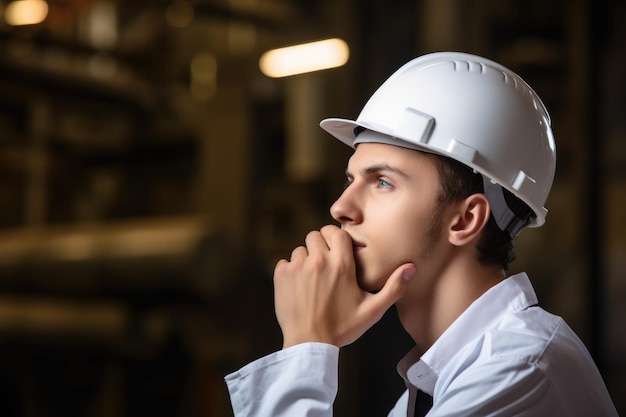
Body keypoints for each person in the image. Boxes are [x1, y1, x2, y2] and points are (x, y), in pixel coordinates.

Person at [225, 52, 618, 416]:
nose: (340, 208)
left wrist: (307, 345)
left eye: (382, 182)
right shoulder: (443, 378)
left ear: (464, 221)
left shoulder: (520, 370)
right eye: (351, 179)